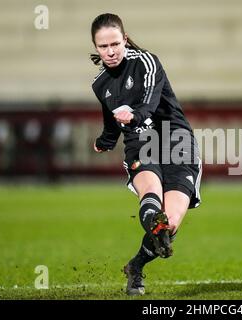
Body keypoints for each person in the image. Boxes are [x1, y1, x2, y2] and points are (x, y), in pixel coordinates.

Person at [90, 13, 202, 296]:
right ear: (96, 47)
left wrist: (135, 114)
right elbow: (111, 119)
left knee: (171, 224)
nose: (110, 51)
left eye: (115, 43)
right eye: (103, 47)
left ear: (125, 41)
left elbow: (150, 102)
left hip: (177, 140)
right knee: (151, 191)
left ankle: (136, 266)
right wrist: (105, 141)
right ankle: (154, 221)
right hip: (141, 142)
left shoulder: (147, 62)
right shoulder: (100, 83)